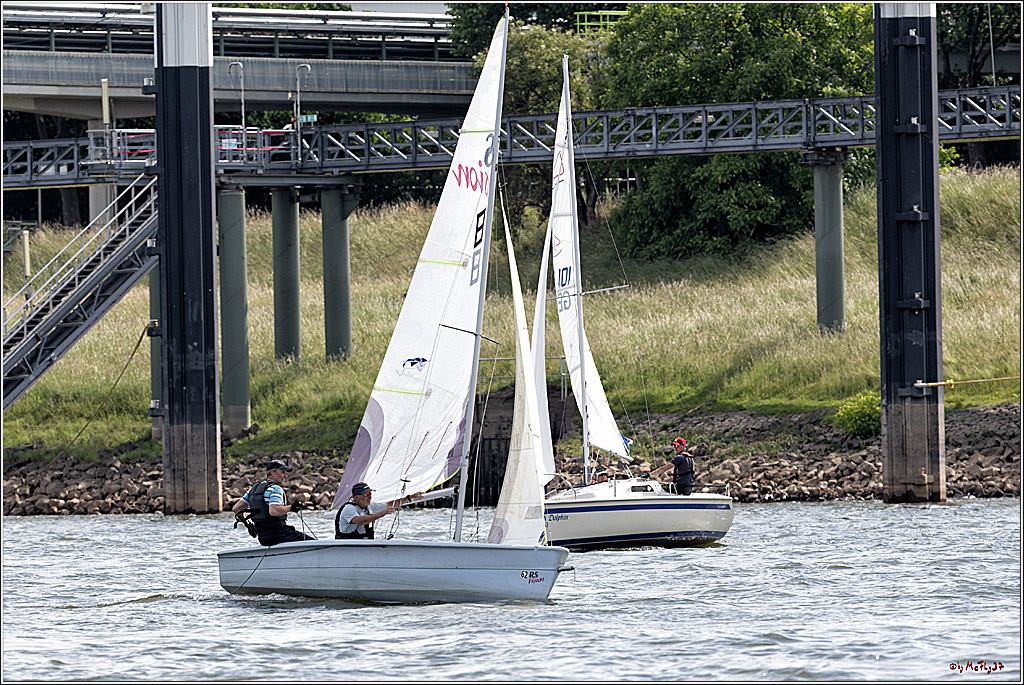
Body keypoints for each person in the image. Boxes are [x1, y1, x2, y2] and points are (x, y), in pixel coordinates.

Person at [232, 459, 315, 546]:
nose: (285, 475)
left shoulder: (253, 489)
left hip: (263, 538)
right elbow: (274, 511)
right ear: (273, 472)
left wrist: (250, 527)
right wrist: (292, 507)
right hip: (280, 535)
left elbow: (236, 509)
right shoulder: (276, 489)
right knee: (313, 543)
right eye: (282, 472)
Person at [334, 482, 423, 539]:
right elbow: (359, 521)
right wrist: (382, 513)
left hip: (363, 546)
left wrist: (409, 497)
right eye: (366, 494)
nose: (370, 496)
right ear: (356, 497)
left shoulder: (370, 506)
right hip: (348, 546)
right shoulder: (349, 509)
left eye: (370, 493)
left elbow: (390, 504)